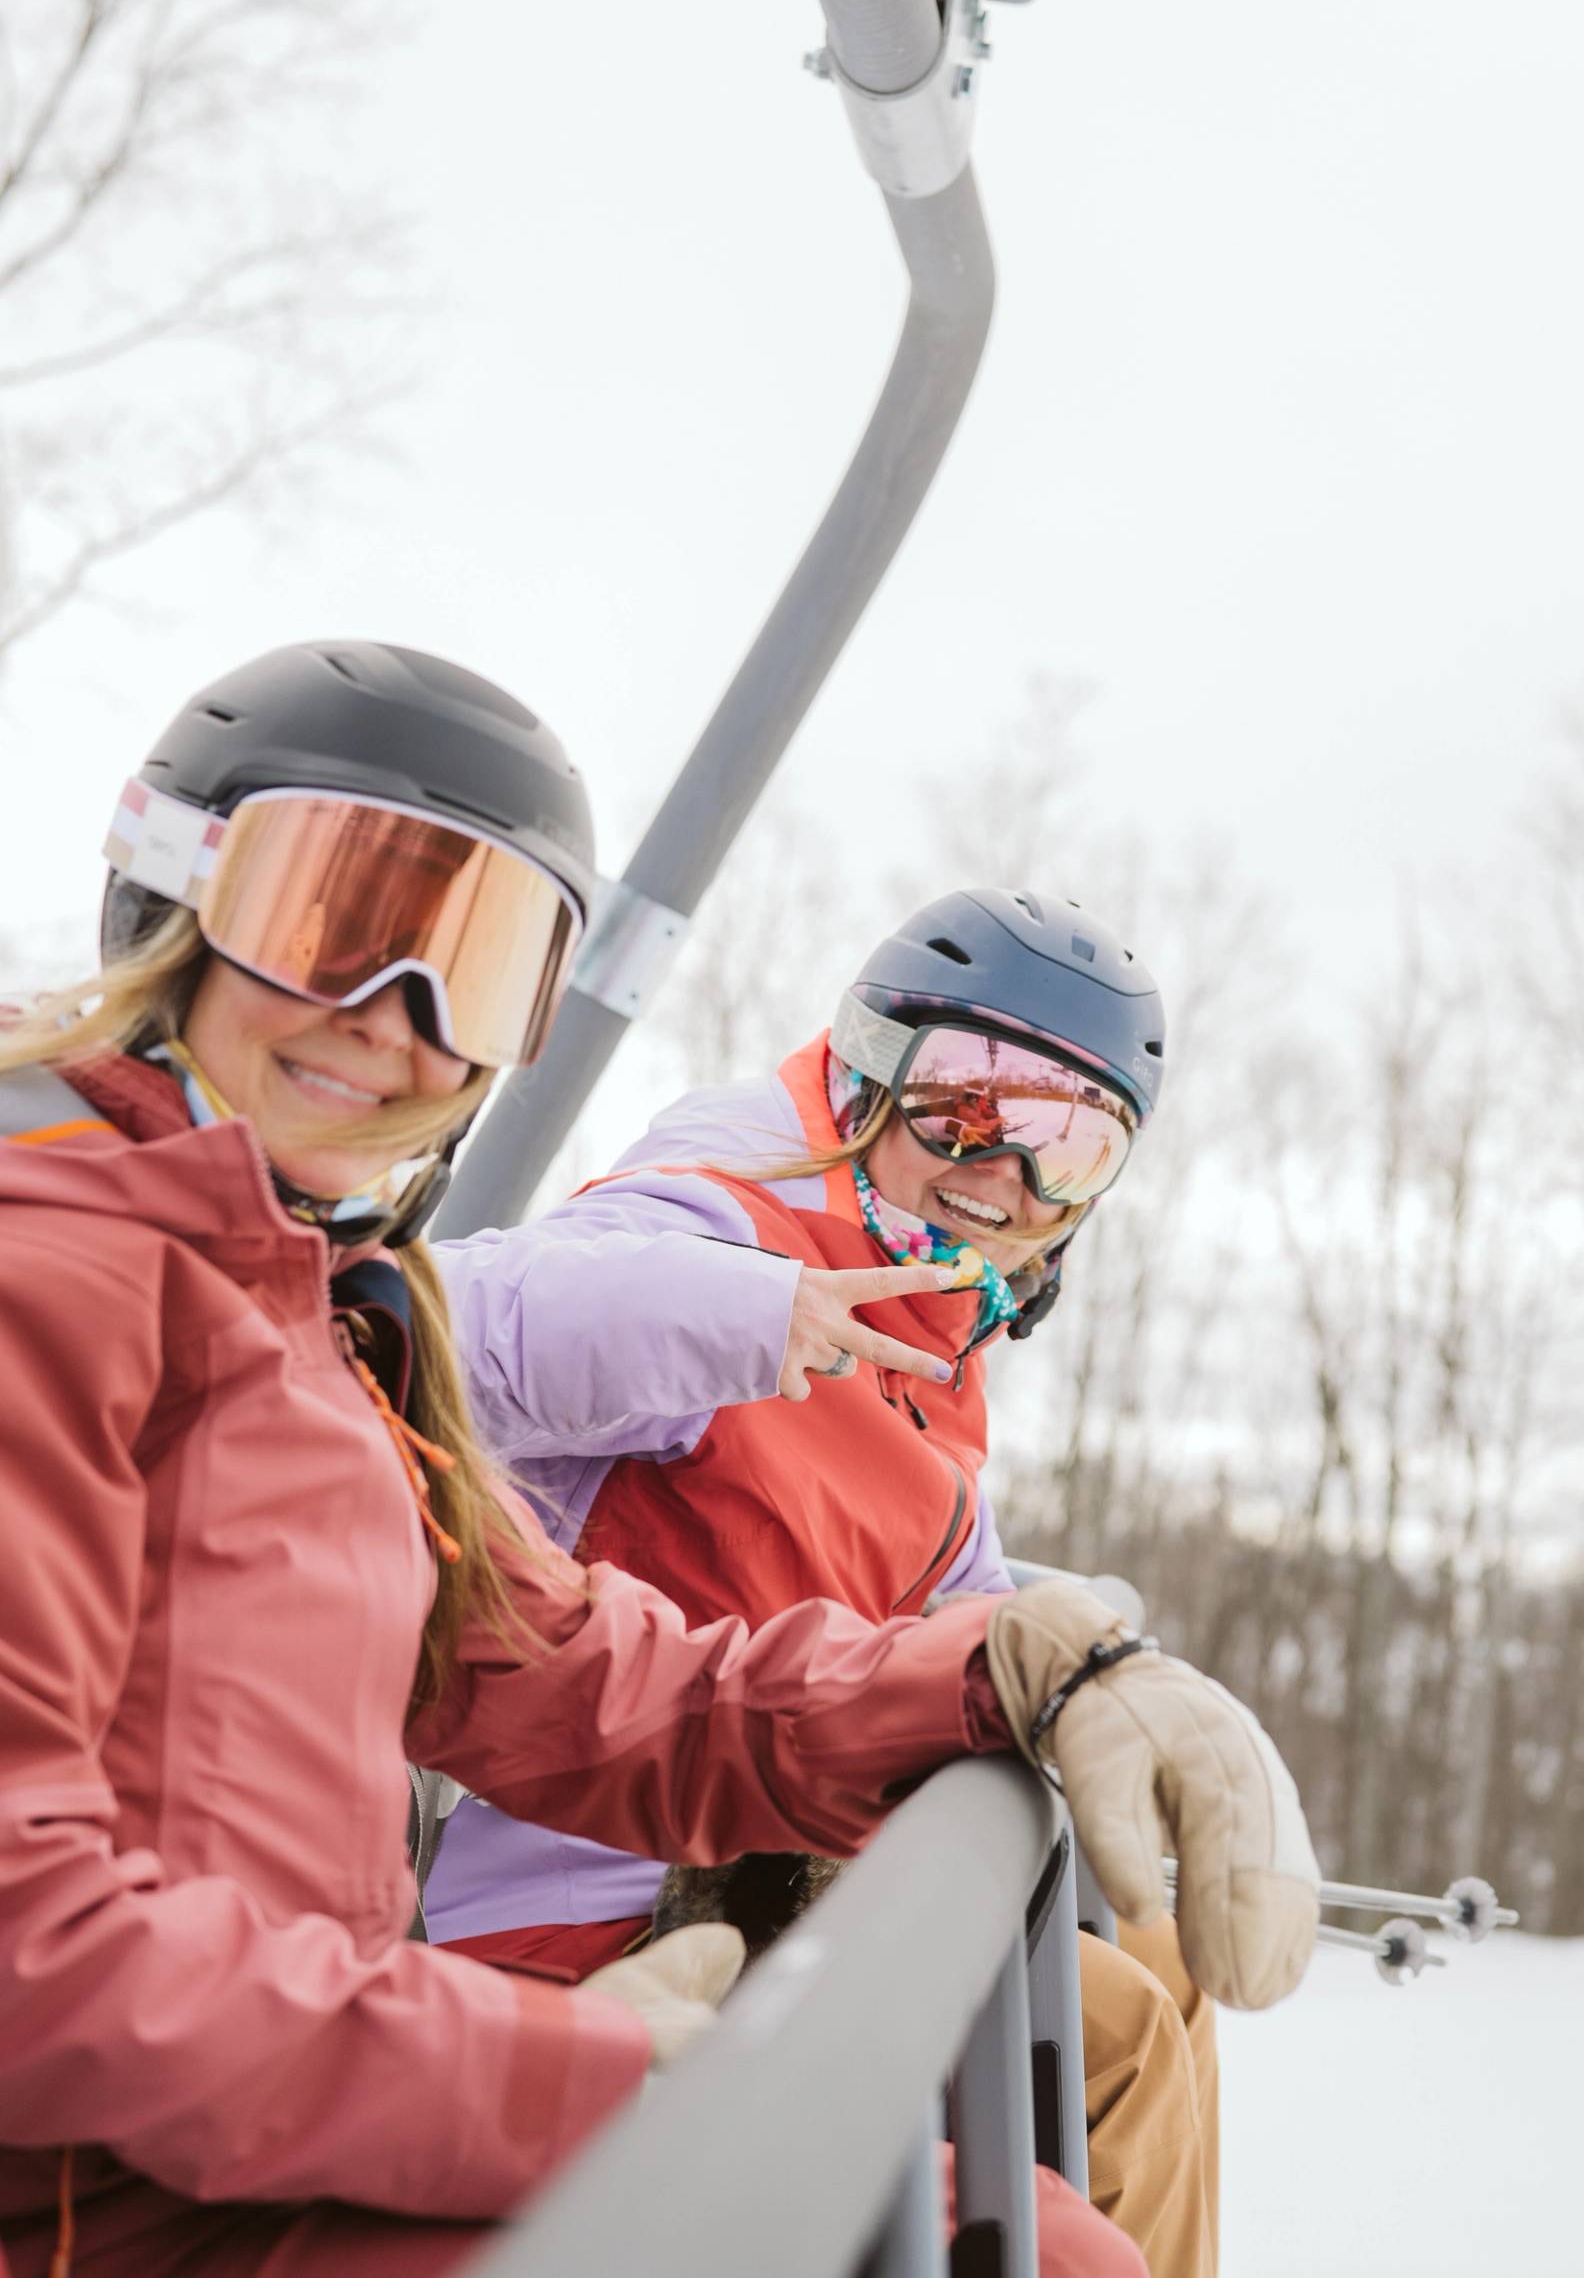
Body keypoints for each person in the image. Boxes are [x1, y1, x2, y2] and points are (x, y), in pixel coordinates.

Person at [0, 647, 1320, 2278]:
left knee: (1047, 2231)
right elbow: (30, 1958)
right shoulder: (51, 1280)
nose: (394, 1022)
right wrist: (576, 2074)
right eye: (333, 918)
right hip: (125, 2212)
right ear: (170, 890)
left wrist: (1002, 1670)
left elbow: (575, 1680)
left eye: (474, 974)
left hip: (289, 2142)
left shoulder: (323, 1330)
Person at [428, 889, 1233, 2275]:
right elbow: (459, 1323)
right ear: (868, 1074)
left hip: (765, 1857)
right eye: (968, 1109)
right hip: (595, 1901)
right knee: (1122, 2038)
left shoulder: (931, 1331)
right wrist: (747, 1306)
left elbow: (947, 1581)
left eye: (1071, 1146)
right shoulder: (726, 1213)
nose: (1009, 1178)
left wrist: (1095, 1672)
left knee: (1167, 1971)